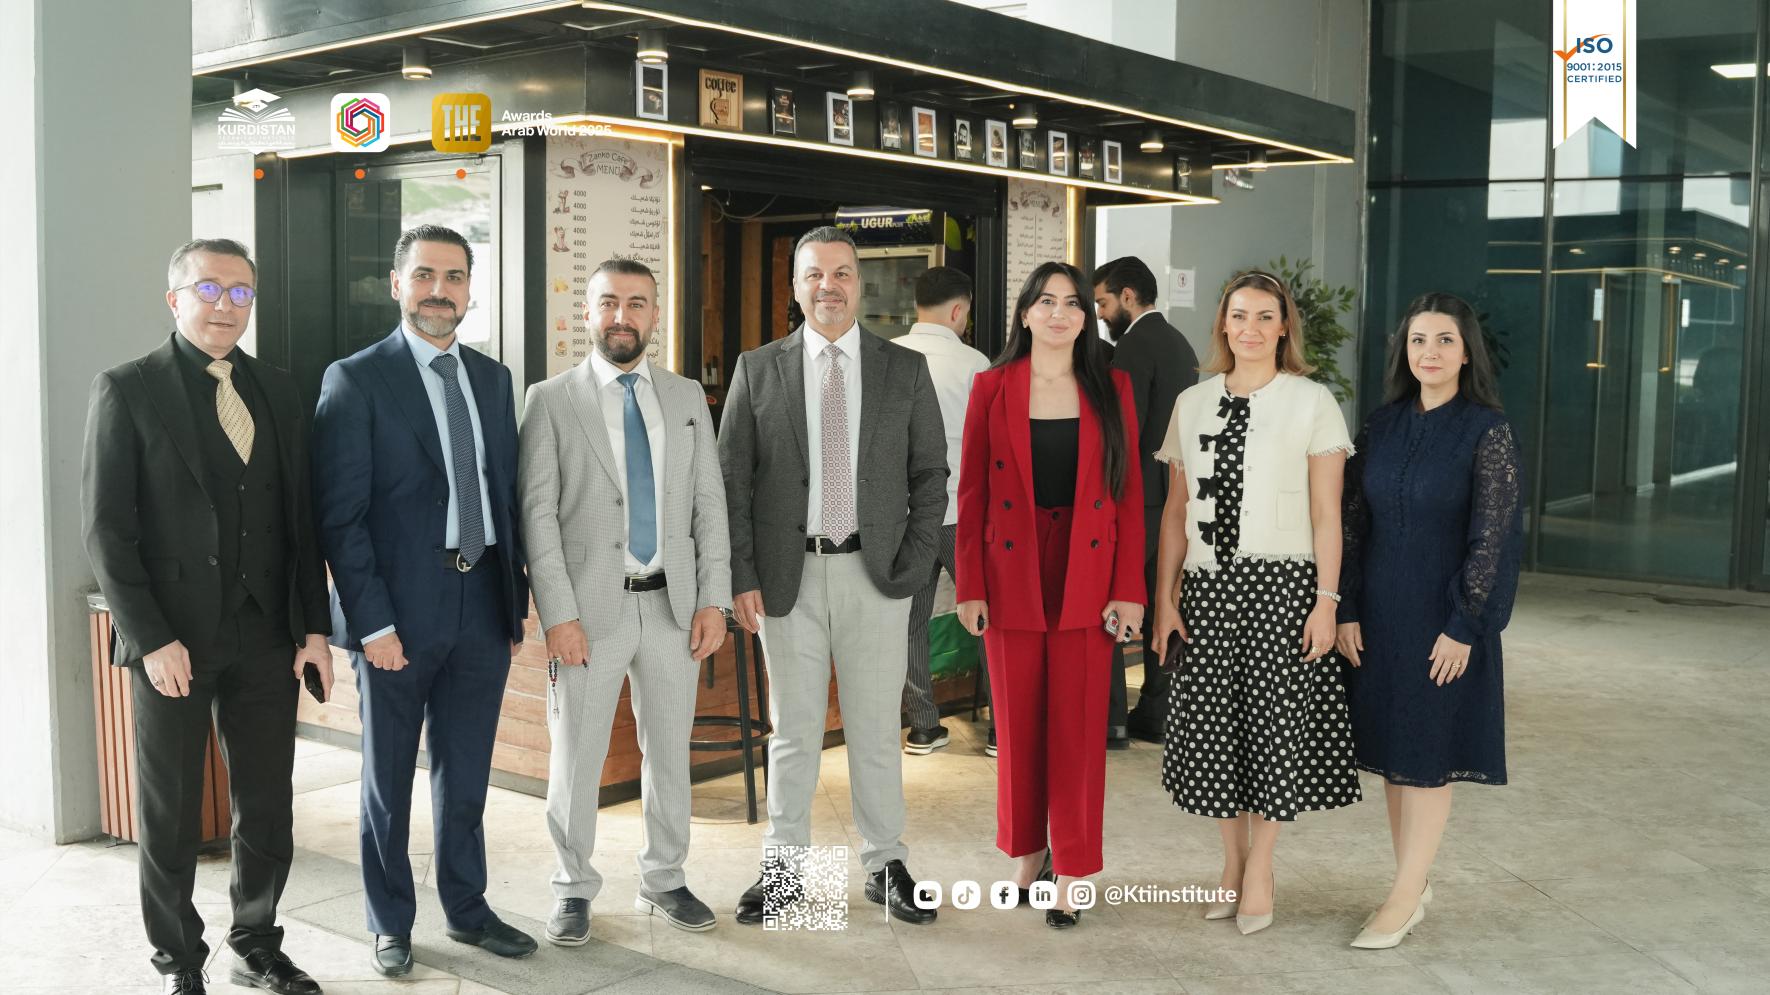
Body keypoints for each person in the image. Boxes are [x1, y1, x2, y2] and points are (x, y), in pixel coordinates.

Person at [81, 238, 331, 995]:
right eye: (209, 290)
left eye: (241, 292)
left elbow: (300, 520)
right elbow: (106, 531)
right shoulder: (127, 388)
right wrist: (151, 637)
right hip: (173, 641)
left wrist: (313, 628)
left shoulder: (279, 389)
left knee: (268, 803)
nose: (226, 306)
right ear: (175, 299)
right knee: (169, 809)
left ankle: (256, 942)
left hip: (267, 635)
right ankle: (178, 959)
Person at [312, 225, 535, 977]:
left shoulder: (493, 379)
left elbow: (505, 498)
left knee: (466, 774)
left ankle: (467, 909)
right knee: (387, 780)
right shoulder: (355, 379)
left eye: (455, 277)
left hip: (482, 601)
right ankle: (390, 921)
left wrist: (512, 603)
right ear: (396, 284)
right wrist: (371, 622)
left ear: (470, 289)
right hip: (397, 613)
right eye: (425, 275)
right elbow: (340, 518)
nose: (440, 291)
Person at [719, 226, 947, 926]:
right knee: (793, 731)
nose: (829, 286)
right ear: (795, 287)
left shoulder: (903, 369)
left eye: (842, 272)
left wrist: (913, 562)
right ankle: (787, 876)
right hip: (787, 579)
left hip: (876, 577)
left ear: (859, 283)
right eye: (814, 274)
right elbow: (732, 483)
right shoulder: (758, 369)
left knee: (876, 729)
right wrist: (742, 575)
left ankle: (885, 865)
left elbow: (931, 474)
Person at [518, 259, 731, 943]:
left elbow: (708, 504)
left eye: (637, 303)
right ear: (587, 312)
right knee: (575, 758)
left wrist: (714, 599)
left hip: (673, 609)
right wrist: (559, 615)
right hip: (588, 614)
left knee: (669, 754)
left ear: (654, 315)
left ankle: (664, 877)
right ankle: (572, 886)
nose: (622, 316)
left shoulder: (686, 396)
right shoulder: (552, 399)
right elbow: (537, 515)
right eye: (608, 302)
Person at [1149, 270, 1362, 936]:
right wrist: (1165, 599)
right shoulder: (1192, 402)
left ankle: (1261, 867)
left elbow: (1328, 514)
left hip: (1284, 589)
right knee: (1217, 731)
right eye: (1239, 315)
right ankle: (1231, 863)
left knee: (1274, 729)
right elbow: (1176, 512)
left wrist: (1326, 602)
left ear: (1284, 326)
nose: (1251, 328)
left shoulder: (1312, 401)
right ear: (1223, 323)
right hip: (1209, 591)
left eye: (1265, 316)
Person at [956, 261, 1145, 929]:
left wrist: (1129, 589)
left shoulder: (1111, 385)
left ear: (1086, 316)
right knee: (1017, 725)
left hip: (1088, 568)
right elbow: (971, 491)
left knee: (1078, 728)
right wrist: (970, 585)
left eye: (1072, 302)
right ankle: (1029, 853)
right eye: (1046, 301)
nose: (1059, 313)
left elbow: (1128, 492)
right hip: (1012, 567)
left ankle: (1073, 868)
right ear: (1025, 313)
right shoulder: (992, 385)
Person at [1336, 292, 1522, 949]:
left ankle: (1405, 893)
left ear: (1467, 352)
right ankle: (1410, 884)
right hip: (1379, 617)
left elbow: (1494, 538)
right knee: (1396, 758)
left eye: (1445, 340)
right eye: (1418, 340)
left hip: (1444, 620)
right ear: (1404, 351)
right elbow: (1352, 524)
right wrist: (1346, 606)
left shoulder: (1486, 431)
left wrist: (1466, 624)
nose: (1430, 352)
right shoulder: (1381, 425)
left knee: (1428, 757)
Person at [1093, 256, 1200, 747]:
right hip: (1176, 496)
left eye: (1103, 302)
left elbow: (1124, 429)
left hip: (1137, 497)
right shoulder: (1180, 343)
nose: (1100, 314)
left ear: (1128, 296)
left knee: (1113, 603)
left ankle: (1111, 718)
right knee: (1164, 603)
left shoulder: (1133, 347)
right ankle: (1158, 712)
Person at [894, 266, 992, 757]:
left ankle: (923, 727)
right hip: (961, 514)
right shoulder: (976, 363)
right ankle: (1001, 730)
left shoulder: (887, 355)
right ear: (958, 310)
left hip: (905, 516)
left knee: (910, 621)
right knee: (989, 618)